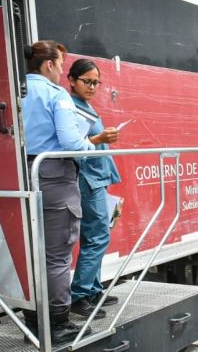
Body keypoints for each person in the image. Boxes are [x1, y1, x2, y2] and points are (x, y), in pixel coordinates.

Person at [21, 40, 95, 344]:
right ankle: (59, 324)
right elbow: (70, 142)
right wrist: (91, 146)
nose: (62, 70)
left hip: (20, 174)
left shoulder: (14, 90)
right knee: (57, 256)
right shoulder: (56, 95)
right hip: (53, 176)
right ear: (49, 64)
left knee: (29, 252)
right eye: (61, 64)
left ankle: (31, 321)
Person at [67, 59, 121, 319]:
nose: (92, 86)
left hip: (98, 178)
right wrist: (100, 139)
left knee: (95, 236)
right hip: (88, 179)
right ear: (72, 80)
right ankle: (79, 294)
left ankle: (94, 289)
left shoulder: (84, 105)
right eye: (86, 81)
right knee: (98, 236)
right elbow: (75, 145)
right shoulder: (73, 108)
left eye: (96, 82)